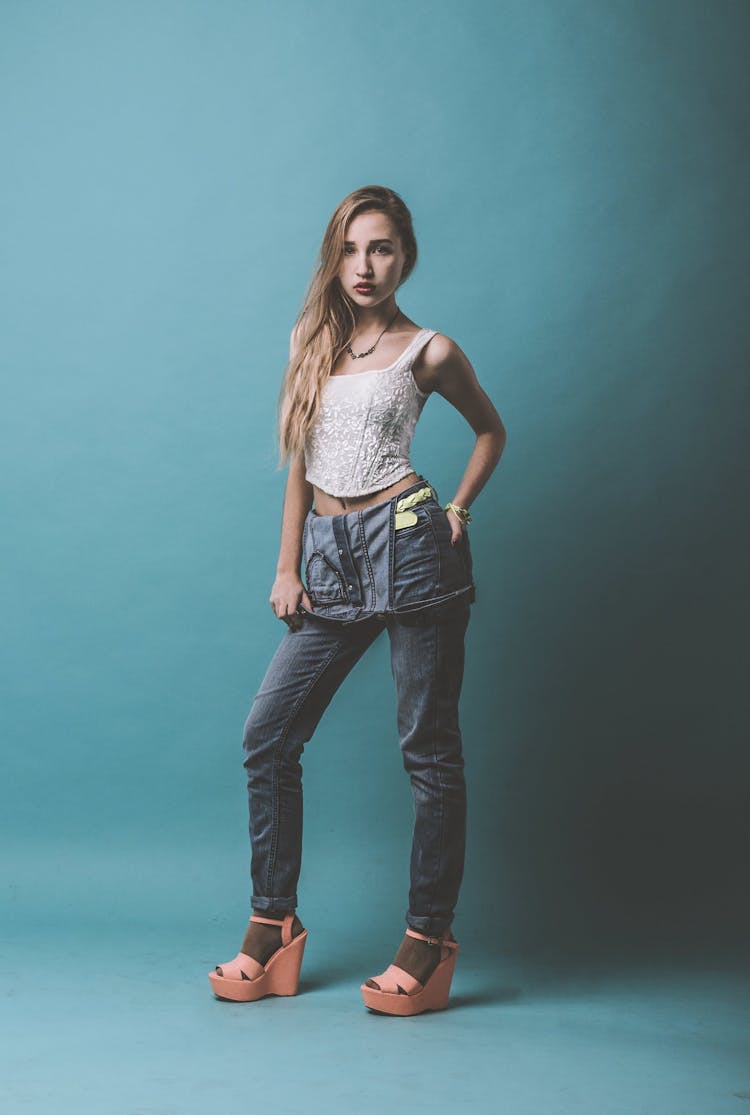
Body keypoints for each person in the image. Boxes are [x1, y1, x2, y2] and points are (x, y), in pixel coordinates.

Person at [208, 185, 506, 1015]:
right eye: (349, 249)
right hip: (328, 563)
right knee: (268, 735)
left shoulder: (430, 349)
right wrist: (286, 565)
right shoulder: (315, 341)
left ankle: (426, 936)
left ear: (404, 253)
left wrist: (457, 509)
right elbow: (302, 465)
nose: (364, 265)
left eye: (380, 248)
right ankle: (272, 925)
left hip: (411, 547)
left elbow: (492, 428)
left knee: (427, 749)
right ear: (333, 258)